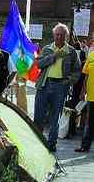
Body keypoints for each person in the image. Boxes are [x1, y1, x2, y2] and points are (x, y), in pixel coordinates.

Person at [34, 23, 81, 152]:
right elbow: (38, 64)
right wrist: (53, 56)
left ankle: (51, 144)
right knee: (39, 115)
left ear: (66, 36)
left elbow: (77, 70)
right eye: (57, 34)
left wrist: (69, 81)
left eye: (62, 35)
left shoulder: (71, 51)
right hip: (45, 84)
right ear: (53, 35)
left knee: (55, 117)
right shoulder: (47, 48)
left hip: (61, 86)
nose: (59, 37)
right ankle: (37, 141)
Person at [75, 43, 94, 153]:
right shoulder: (91, 56)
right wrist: (83, 92)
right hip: (91, 96)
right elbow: (86, 76)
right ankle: (85, 146)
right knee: (90, 123)